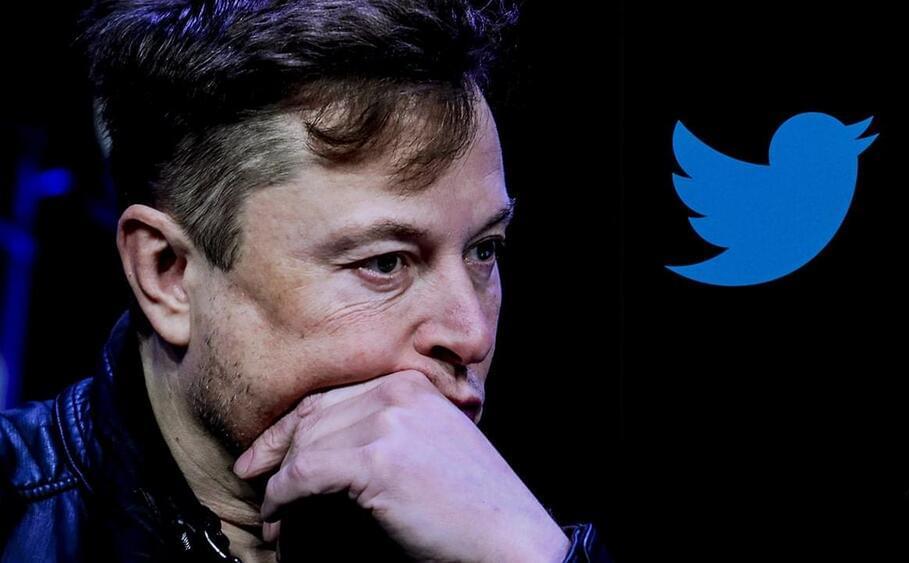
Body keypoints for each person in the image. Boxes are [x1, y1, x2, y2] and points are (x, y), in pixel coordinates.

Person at [0, 1, 610, 561]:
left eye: (483, 250)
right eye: (385, 263)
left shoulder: (520, 531)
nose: (471, 334)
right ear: (168, 274)